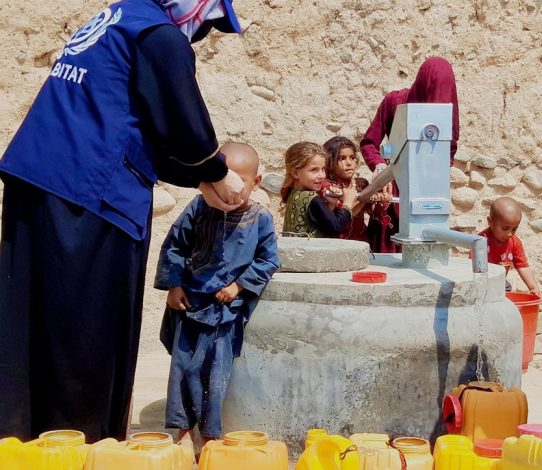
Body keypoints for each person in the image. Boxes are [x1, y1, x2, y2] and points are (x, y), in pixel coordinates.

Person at [0, 0, 245, 441]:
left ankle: (20, 440)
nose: (200, 34)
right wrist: (214, 170)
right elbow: (181, 120)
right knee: (85, 336)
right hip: (89, 195)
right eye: (206, 22)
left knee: (30, 325)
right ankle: (78, 446)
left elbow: (130, 120)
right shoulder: (159, 35)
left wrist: (198, 176)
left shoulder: (119, 18)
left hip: (38, 179)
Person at [155, 142, 279, 445]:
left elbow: (268, 260)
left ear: (256, 182)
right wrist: (174, 285)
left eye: (241, 181)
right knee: (182, 368)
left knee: (214, 372)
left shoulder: (260, 219)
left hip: (225, 313)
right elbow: (175, 245)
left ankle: (210, 437)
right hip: (190, 303)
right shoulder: (198, 207)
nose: (230, 191)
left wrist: (239, 285)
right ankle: (183, 432)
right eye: (224, 180)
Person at [360, 56, 459, 252]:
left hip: (426, 195)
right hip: (391, 192)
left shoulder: (447, 117)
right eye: (432, 88)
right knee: (387, 257)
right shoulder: (395, 102)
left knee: (423, 252)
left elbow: (445, 157)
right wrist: (381, 166)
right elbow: (370, 143)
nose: (436, 97)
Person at [281, 141, 358, 238]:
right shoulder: (312, 200)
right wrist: (347, 203)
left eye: (323, 169)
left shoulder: (294, 193)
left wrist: (331, 205)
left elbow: (323, 224)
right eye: (314, 170)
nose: (322, 176)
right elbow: (336, 227)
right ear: (295, 173)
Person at [323, 136, 390, 244]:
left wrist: (380, 201)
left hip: (361, 242)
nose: (349, 163)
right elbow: (343, 216)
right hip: (337, 243)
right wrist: (364, 198)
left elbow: (373, 214)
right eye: (342, 158)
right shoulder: (329, 187)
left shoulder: (361, 184)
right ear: (330, 162)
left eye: (352, 157)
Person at [479, 197, 539, 294]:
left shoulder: (515, 242)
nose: (510, 234)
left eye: (514, 229)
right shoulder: (481, 241)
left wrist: (533, 287)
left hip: (500, 282)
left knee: (507, 292)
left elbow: (522, 266)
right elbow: (472, 268)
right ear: (490, 222)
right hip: (481, 283)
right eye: (505, 228)